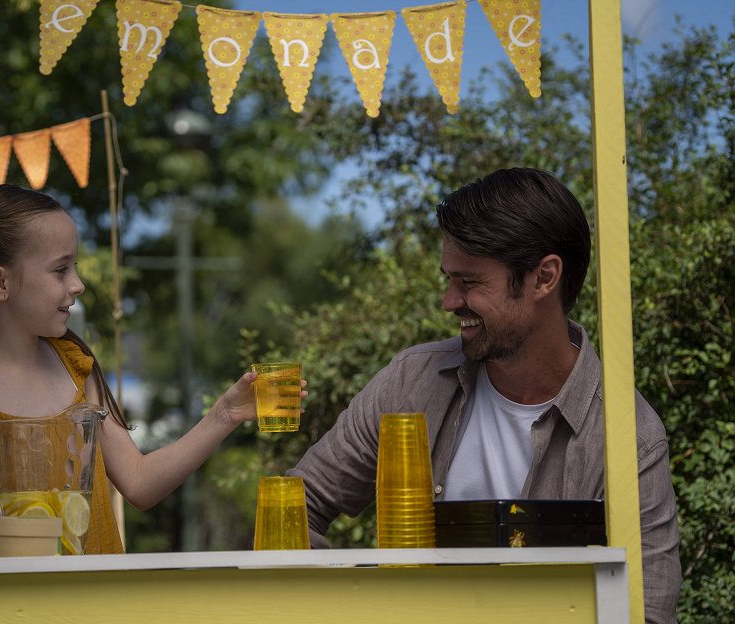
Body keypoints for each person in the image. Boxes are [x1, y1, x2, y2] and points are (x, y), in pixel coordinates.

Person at [288, 168, 681, 624]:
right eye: (449, 279)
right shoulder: (410, 382)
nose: (449, 301)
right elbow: (297, 508)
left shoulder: (630, 438)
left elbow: (647, 611)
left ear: (544, 277)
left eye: (470, 282)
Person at [0, 184, 305, 574]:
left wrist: (225, 414)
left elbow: (140, 484)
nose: (78, 284)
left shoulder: (78, 370)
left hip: (96, 607)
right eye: (60, 270)